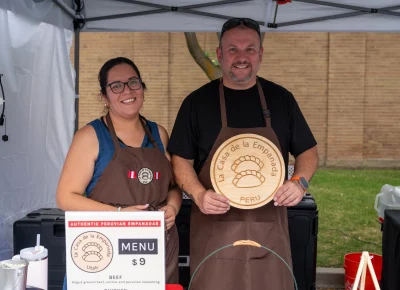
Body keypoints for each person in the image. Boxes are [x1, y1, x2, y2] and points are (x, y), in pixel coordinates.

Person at [167, 18, 318, 289]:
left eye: (250, 49)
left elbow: (308, 151)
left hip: (269, 227)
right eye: (233, 49)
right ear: (219, 54)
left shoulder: (282, 99)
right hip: (215, 228)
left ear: (260, 55)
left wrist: (299, 183)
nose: (241, 57)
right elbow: (180, 159)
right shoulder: (197, 103)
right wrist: (199, 194)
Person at [56, 57, 181, 288]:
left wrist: (172, 207)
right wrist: (121, 214)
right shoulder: (90, 137)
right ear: (104, 96)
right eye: (116, 86)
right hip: (106, 252)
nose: (127, 90)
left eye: (133, 82)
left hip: (155, 250)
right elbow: (65, 197)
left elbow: (173, 187)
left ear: (142, 88)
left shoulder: (158, 134)